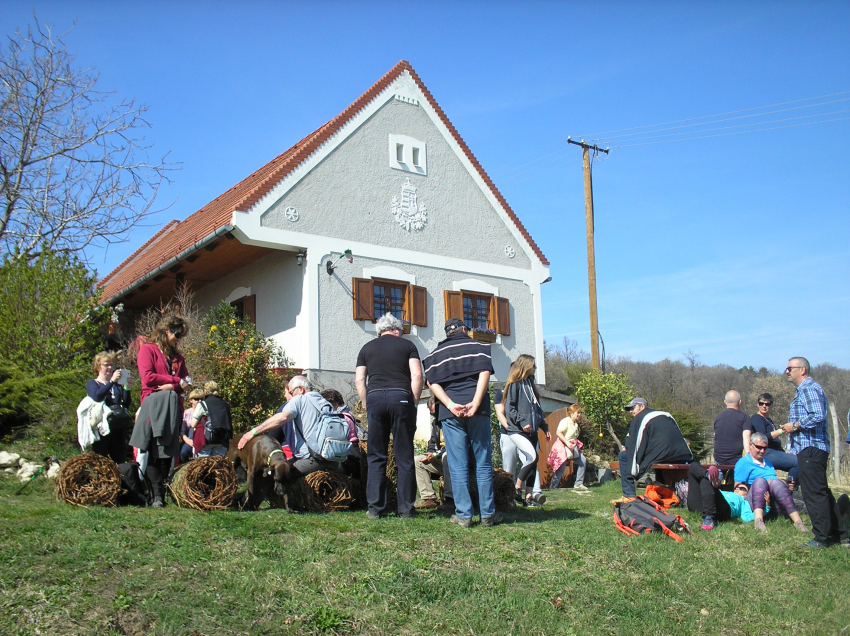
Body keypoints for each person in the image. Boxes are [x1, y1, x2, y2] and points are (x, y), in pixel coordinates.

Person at [423, 318, 501, 528]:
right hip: (478, 410)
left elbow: (432, 382)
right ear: (464, 330)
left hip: (450, 414)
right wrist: (475, 402)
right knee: (483, 461)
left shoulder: (434, 355)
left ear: (447, 333)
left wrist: (450, 404)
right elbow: (485, 373)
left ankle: (464, 515)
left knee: (457, 464)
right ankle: (487, 514)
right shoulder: (479, 347)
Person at [355, 313, 423, 519]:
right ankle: (406, 510)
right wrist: (414, 401)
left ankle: (375, 509)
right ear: (395, 329)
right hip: (401, 398)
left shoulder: (366, 348)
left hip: (375, 398)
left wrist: (367, 402)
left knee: (376, 455)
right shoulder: (408, 346)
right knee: (404, 455)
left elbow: (359, 380)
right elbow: (417, 375)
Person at [779, 357, 847, 548]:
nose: (786, 371)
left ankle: (821, 538)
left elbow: (817, 415)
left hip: (811, 448)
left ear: (802, 370)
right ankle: (840, 535)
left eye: (789, 368)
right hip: (809, 448)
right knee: (822, 492)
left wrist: (795, 425)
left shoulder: (809, 388)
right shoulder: (805, 389)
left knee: (813, 494)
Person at [131, 315, 191, 507]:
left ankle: (162, 492)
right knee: (153, 449)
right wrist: (174, 382)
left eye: (181, 335)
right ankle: (156, 494)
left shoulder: (178, 358)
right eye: (176, 333)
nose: (178, 338)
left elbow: (187, 382)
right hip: (154, 404)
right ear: (166, 330)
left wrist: (173, 386)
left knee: (167, 450)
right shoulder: (148, 350)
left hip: (173, 406)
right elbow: (148, 378)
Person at [237, 375, 343, 479]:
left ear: (301, 389)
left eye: (291, 392)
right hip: (333, 460)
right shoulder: (324, 402)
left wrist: (252, 432)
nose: (288, 396)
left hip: (312, 460)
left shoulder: (299, 400)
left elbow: (282, 418)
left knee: (275, 473)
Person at [617, 397, 692, 502]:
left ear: (642, 406)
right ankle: (662, 491)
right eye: (629, 409)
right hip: (681, 454)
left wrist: (628, 451)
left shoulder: (639, 418)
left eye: (633, 408)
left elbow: (634, 442)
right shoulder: (666, 415)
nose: (631, 411)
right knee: (658, 454)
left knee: (624, 456)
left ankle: (628, 495)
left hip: (661, 454)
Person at [501, 354, 550, 507]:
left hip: (532, 431)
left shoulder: (530, 385)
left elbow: (537, 411)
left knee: (533, 463)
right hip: (518, 430)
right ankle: (516, 488)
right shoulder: (514, 385)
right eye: (534, 365)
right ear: (526, 366)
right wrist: (522, 423)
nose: (535, 368)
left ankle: (528, 497)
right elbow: (510, 409)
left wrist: (545, 427)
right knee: (531, 457)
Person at [734, 432, 808, 533]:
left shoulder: (768, 463)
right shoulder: (743, 463)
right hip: (755, 500)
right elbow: (738, 489)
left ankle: (798, 522)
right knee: (760, 481)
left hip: (772, 499)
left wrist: (784, 484)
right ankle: (758, 520)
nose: (762, 451)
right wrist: (764, 485)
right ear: (750, 445)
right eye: (759, 447)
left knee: (778, 483)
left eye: (765, 448)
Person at [87, 351, 132, 464]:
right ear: (98, 367)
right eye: (106, 364)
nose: (110, 367)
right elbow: (98, 396)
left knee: (120, 459)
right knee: (102, 461)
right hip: (102, 429)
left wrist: (127, 389)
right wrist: (111, 381)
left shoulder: (116, 385)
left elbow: (125, 403)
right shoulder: (93, 383)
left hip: (117, 428)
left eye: (111, 364)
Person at [688, 464, 759, 531]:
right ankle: (708, 475)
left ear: (747, 495)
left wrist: (767, 507)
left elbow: (748, 517)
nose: (737, 488)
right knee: (693, 466)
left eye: (742, 489)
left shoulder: (743, 501)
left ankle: (709, 518)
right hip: (699, 505)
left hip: (722, 510)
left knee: (706, 481)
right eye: (737, 487)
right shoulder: (724, 492)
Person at [749, 392, 798, 489]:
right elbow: (762, 438)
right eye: (761, 403)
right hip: (765, 453)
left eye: (767, 404)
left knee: (799, 462)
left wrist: (785, 452)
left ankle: (791, 487)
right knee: (797, 462)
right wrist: (781, 430)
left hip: (775, 452)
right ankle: (789, 489)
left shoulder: (768, 420)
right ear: (757, 404)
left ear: (772, 405)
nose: (764, 406)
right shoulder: (757, 418)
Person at [413, 396, 454, 509]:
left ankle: (450, 498)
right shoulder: (435, 424)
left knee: (446, 456)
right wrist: (429, 454)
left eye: (436, 413)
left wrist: (436, 455)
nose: (435, 416)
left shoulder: (452, 422)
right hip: (440, 460)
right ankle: (429, 498)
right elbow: (432, 443)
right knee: (418, 461)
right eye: (432, 414)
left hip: (453, 461)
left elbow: (453, 446)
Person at [320, 389, 361, 480]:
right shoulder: (347, 414)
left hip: (348, 451)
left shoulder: (340, 417)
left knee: (348, 479)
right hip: (352, 450)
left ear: (335, 404)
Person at [548, 404, 587, 491]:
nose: (579, 415)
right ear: (572, 413)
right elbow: (558, 432)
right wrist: (567, 442)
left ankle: (578, 484)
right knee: (561, 468)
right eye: (578, 413)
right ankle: (553, 487)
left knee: (582, 461)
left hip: (573, 447)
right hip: (563, 446)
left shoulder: (575, 423)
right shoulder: (565, 421)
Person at [190, 381, 232, 457]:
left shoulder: (202, 404)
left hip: (205, 440)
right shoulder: (225, 404)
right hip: (222, 440)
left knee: (204, 466)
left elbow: (193, 424)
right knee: (219, 466)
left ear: (205, 391)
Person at [713, 390, 753, 466]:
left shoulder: (718, 418)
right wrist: (748, 457)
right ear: (740, 402)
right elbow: (747, 436)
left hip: (719, 457)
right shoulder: (744, 417)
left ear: (725, 402)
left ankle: (715, 475)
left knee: (721, 473)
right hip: (736, 458)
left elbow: (716, 437)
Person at [179, 388, 205, 463]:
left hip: (202, 440)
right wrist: (188, 441)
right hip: (189, 439)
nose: (199, 401)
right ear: (191, 400)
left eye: (201, 399)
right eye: (196, 399)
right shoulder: (186, 413)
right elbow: (182, 431)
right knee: (183, 453)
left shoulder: (205, 413)